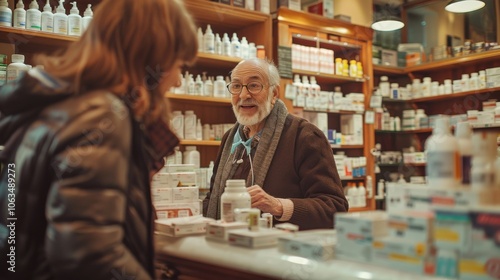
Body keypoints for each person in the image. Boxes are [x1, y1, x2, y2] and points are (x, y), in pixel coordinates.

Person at [0, 0, 197, 279]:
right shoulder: (104, 114)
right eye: (178, 64)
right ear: (152, 56)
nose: (178, 80)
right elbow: (91, 257)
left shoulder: (62, 105)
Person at [203, 58, 349, 230]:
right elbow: (213, 198)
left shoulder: (305, 136)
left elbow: (335, 209)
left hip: (282, 251)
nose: (243, 95)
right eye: (236, 86)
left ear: (274, 93)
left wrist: (278, 206)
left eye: (254, 85)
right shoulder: (230, 139)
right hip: (229, 249)